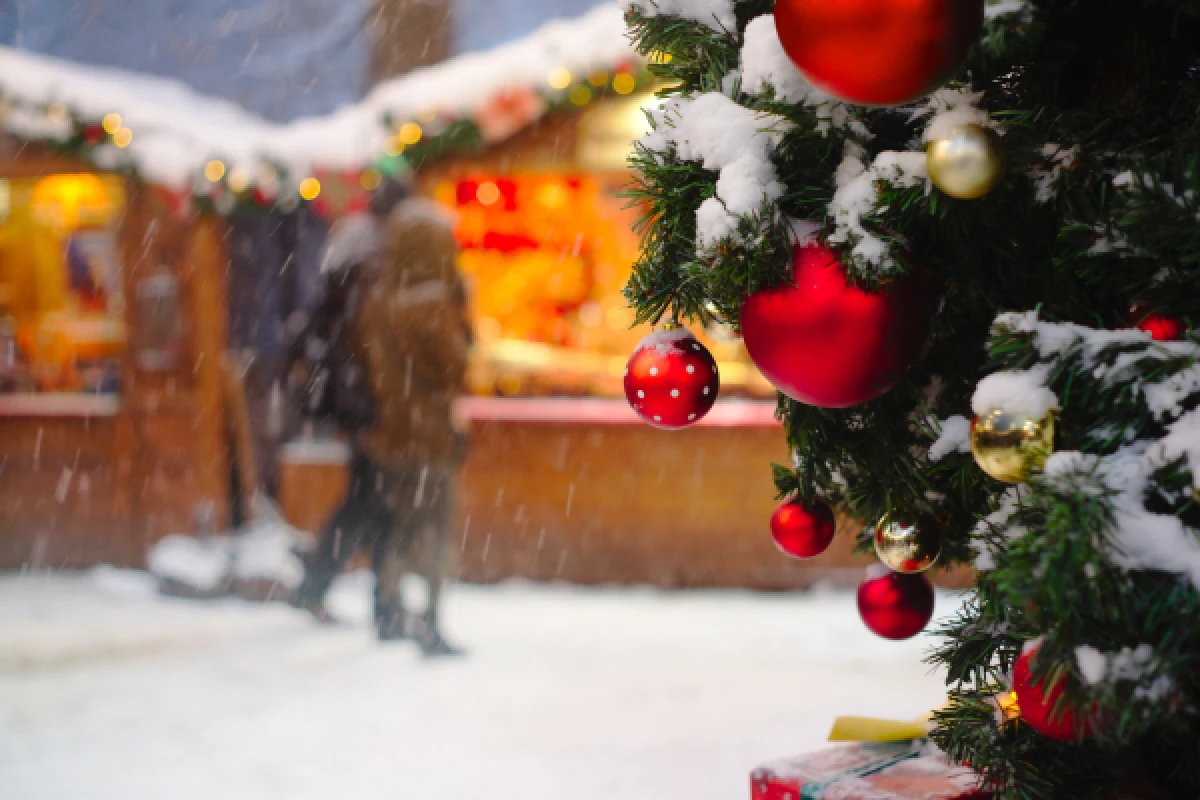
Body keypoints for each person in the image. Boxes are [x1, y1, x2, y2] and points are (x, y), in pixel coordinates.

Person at [291, 189, 470, 655]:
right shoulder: (419, 296)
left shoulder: (369, 283)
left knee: (379, 514)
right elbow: (453, 367)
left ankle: (378, 603)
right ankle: (411, 614)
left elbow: (354, 354)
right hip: (414, 430)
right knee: (416, 522)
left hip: (378, 425)